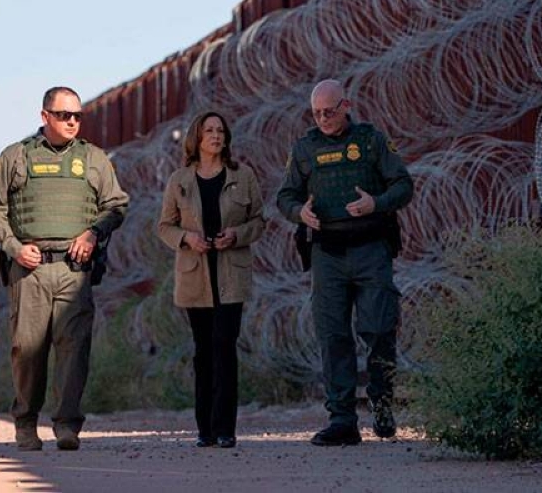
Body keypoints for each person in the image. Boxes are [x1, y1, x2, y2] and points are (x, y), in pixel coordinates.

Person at [0, 86, 129, 451]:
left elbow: (116, 205)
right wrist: (15, 248)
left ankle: (66, 425)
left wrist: (94, 233)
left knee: (73, 348)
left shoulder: (93, 159)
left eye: (78, 116)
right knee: (28, 350)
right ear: (45, 116)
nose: (72, 122)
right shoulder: (16, 157)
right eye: (64, 115)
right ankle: (26, 423)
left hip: (74, 269)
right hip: (29, 270)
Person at [277, 79, 413, 446]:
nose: (322, 118)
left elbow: (404, 185)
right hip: (328, 253)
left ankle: (382, 405)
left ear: (346, 105)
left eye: (329, 111)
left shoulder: (371, 141)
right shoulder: (305, 148)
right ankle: (342, 420)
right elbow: (284, 196)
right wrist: (298, 212)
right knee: (333, 336)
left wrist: (377, 203)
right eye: (316, 112)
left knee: (379, 328)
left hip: (371, 247)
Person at [158, 112, 264, 448]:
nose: (216, 136)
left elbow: (259, 221)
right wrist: (188, 239)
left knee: (224, 346)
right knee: (203, 351)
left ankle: (225, 429)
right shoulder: (179, 180)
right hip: (195, 275)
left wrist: (237, 234)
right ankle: (204, 428)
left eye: (221, 130)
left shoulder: (242, 176)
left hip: (231, 273)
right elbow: (164, 226)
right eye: (209, 130)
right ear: (197, 138)